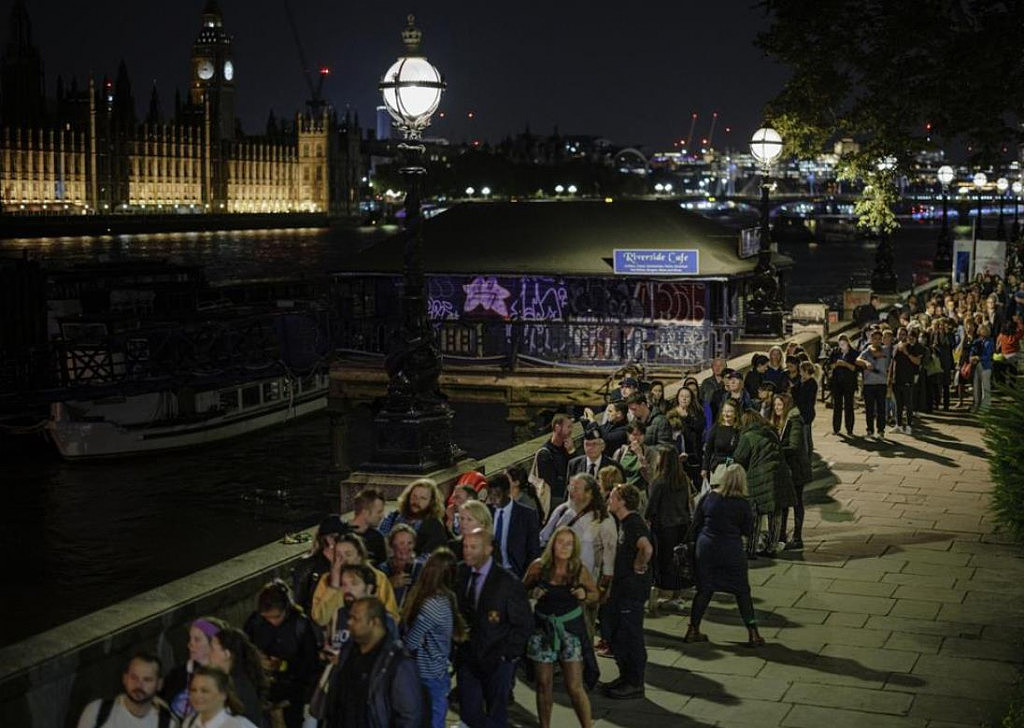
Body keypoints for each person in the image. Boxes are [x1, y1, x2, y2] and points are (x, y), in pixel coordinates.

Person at [455, 527, 533, 728]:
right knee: (469, 713)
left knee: (496, 712)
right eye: (465, 546)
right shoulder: (460, 573)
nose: (468, 551)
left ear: (488, 549)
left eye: (474, 547)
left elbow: (523, 623)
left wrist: (508, 656)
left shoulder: (507, 583)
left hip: (497, 661)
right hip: (468, 659)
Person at [523, 527, 599, 728]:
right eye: (560, 542)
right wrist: (533, 593)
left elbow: (595, 595)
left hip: (570, 630)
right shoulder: (539, 567)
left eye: (569, 543)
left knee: (574, 686)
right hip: (542, 629)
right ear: (552, 544)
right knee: (543, 683)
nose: (564, 547)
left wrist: (584, 595)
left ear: (574, 547)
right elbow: (522, 591)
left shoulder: (578, 569)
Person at [684, 464, 764, 647]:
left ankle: (692, 629)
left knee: (704, 590)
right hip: (731, 550)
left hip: (706, 548)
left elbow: (696, 522)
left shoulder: (709, 498)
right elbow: (748, 530)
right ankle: (753, 632)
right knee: (742, 592)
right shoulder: (743, 504)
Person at [325, 597, 424, 728]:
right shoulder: (349, 651)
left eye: (356, 619)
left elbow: (410, 717)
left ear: (374, 622)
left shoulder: (398, 664)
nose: (349, 622)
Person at [401, 549, 467, 728]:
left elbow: (411, 642)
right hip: (437, 672)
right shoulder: (444, 599)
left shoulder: (431, 606)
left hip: (428, 676)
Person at [243, 581, 320, 728]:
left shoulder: (300, 624)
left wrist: (283, 665)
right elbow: (243, 650)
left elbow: (311, 663)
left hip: (292, 694)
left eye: (276, 617)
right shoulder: (255, 622)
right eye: (267, 618)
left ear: (286, 609)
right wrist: (257, 659)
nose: (272, 622)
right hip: (262, 692)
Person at [601, 484, 653, 700]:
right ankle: (625, 677)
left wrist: (639, 564)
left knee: (630, 636)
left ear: (623, 501)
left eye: (613, 496)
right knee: (619, 635)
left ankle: (634, 683)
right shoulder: (622, 523)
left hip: (631, 591)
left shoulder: (633, 523)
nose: (609, 499)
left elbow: (646, 547)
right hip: (622, 590)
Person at [731, 411, 788, 559]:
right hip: (778, 477)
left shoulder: (748, 437)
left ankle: (751, 549)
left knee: (755, 514)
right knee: (775, 513)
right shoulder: (771, 433)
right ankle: (772, 547)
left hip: (759, 478)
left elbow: (739, 457)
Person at [311, 533, 399, 625]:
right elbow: (320, 619)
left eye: (348, 554)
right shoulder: (326, 580)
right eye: (338, 555)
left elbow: (392, 617)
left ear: (359, 556)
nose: (343, 560)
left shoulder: (378, 578)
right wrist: (334, 585)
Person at [644, 445, 691, 614]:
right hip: (681, 525)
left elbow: (651, 507)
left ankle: (663, 594)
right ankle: (676, 595)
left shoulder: (660, 481)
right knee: (677, 561)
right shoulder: (682, 478)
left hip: (664, 527)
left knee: (662, 561)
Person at [77, 652, 178, 728]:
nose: (139, 685)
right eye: (134, 678)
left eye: (147, 680)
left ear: (159, 684)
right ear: (125, 679)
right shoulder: (97, 711)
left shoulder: (168, 724)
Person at [162, 617, 227, 721]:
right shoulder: (178, 674)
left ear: (213, 643)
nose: (190, 645)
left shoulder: (226, 678)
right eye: (190, 639)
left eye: (197, 640)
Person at [291, 515, 350, 619]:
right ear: (329, 539)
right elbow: (300, 602)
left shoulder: (350, 562)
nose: (349, 541)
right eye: (344, 537)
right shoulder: (308, 567)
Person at [774, 394, 812, 552]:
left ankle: (797, 537)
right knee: (784, 503)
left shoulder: (794, 420)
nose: (777, 408)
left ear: (787, 406)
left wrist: (776, 450)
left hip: (796, 469)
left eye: (780, 405)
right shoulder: (781, 421)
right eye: (775, 405)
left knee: (796, 503)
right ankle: (781, 535)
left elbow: (795, 446)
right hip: (787, 469)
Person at [486, 471, 541, 579]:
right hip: (489, 572)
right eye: (490, 494)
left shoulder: (527, 515)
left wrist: (527, 578)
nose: (492, 499)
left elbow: (533, 550)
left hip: (515, 573)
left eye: (496, 495)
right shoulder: (486, 512)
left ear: (507, 492)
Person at [208, 628, 267, 728]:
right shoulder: (238, 680)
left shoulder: (237, 688)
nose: (208, 653)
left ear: (226, 654)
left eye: (212, 649)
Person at [378, 479, 448, 555]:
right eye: (414, 496)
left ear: (431, 502)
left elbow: (429, 558)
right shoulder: (394, 516)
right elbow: (380, 539)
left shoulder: (435, 527)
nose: (416, 501)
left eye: (423, 498)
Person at [182, 666, 258, 728]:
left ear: (223, 694)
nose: (197, 695)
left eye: (205, 691)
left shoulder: (239, 725)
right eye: (193, 690)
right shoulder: (189, 722)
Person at [530, 413, 574, 515]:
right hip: (552, 502)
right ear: (557, 428)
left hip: (567, 496)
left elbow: (576, 470)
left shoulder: (566, 448)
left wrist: (572, 452)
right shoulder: (545, 453)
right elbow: (552, 481)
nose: (571, 430)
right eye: (568, 427)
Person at [379, 524, 424, 608]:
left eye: (409, 543)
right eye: (401, 543)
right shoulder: (382, 570)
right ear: (392, 545)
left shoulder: (421, 568)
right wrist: (390, 584)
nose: (405, 548)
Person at [857, 328, 891, 439]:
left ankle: (881, 430)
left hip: (881, 382)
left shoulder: (886, 350)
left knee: (881, 408)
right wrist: (866, 362)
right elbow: (858, 360)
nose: (877, 341)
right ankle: (870, 430)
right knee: (869, 409)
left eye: (879, 339)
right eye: (874, 338)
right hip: (869, 383)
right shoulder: (866, 351)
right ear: (871, 339)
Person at [668, 386, 705, 486]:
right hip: (678, 456)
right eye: (682, 396)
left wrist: (688, 417)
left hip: (694, 455)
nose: (684, 399)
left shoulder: (697, 414)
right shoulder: (671, 415)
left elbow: (700, 428)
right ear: (678, 398)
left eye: (687, 396)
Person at [892, 327, 926, 434]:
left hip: (908, 378)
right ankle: (898, 424)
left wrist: (907, 353)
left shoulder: (911, 347)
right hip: (896, 378)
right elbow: (893, 362)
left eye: (903, 334)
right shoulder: (896, 347)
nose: (901, 336)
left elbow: (917, 362)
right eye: (899, 334)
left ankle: (909, 426)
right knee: (898, 403)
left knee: (908, 403)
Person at [702, 399, 741, 483]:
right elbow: (708, 449)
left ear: (736, 414)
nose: (726, 414)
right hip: (718, 467)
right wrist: (704, 468)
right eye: (724, 411)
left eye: (729, 411)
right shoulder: (716, 428)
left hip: (734, 468)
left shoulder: (739, 430)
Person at [828, 334, 859, 436]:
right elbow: (829, 366)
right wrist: (836, 364)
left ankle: (849, 428)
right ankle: (836, 428)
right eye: (840, 344)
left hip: (849, 383)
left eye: (844, 343)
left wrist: (845, 364)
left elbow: (856, 368)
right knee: (837, 406)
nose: (842, 345)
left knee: (849, 406)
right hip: (837, 382)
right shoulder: (835, 352)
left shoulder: (854, 353)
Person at [347, 489, 387, 565]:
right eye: (379, 512)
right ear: (365, 512)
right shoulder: (342, 534)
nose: (382, 516)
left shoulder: (377, 538)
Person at [612, 421, 651, 495]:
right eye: (635, 434)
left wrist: (640, 455)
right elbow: (613, 474)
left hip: (640, 494)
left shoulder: (650, 452)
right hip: (622, 492)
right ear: (629, 435)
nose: (637, 438)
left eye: (641, 434)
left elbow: (650, 477)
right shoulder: (620, 452)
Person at [795, 361, 818, 454]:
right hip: (804, 411)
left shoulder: (811, 383)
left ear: (806, 371)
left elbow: (803, 397)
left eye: (801, 371)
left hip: (806, 412)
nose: (800, 373)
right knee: (806, 434)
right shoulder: (802, 382)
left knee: (805, 435)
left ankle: (807, 454)